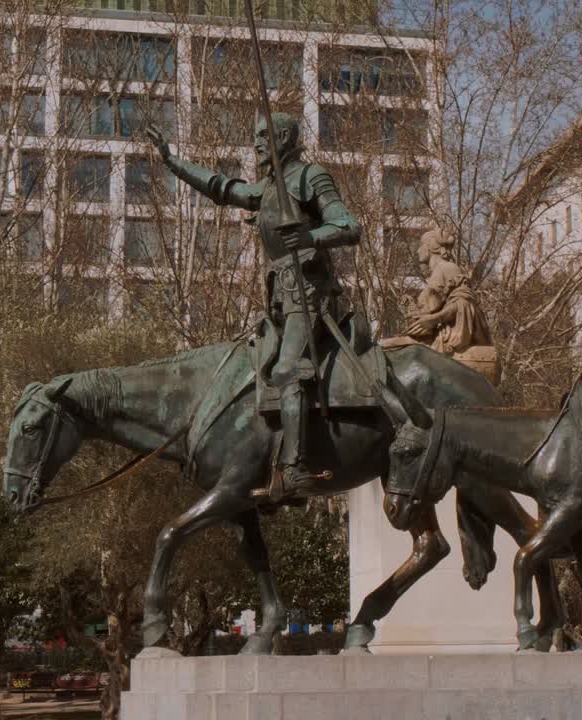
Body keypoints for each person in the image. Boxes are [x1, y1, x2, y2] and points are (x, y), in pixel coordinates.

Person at [145, 114, 361, 495]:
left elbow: (348, 226)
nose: (256, 142)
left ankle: (295, 470)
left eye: (263, 135)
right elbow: (223, 188)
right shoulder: (268, 187)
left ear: (283, 137)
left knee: (288, 369)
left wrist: (310, 235)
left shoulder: (311, 176)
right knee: (248, 368)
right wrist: (171, 160)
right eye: (255, 135)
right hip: (279, 295)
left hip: (309, 293)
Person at [403, 228, 492, 355]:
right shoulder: (436, 273)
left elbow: (465, 304)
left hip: (445, 339)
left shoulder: (449, 268)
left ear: (432, 247)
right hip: (430, 336)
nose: (417, 251)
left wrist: (433, 320)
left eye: (421, 246)